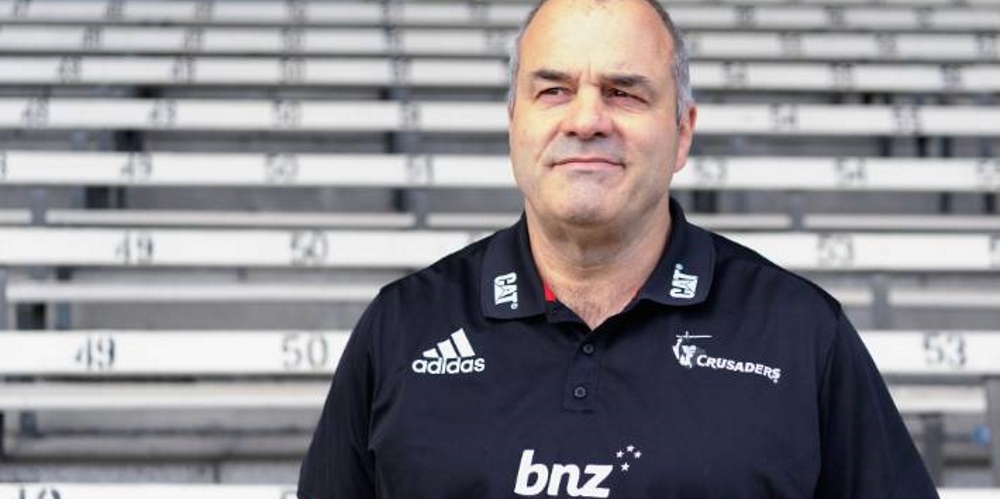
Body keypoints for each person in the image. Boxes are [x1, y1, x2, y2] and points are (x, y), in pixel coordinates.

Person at [298, 0, 940, 496]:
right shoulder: (401, 328)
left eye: (624, 91)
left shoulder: (800, 332)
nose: (586, 120)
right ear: (514, 125)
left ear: (682, 132)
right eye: (553, 90)